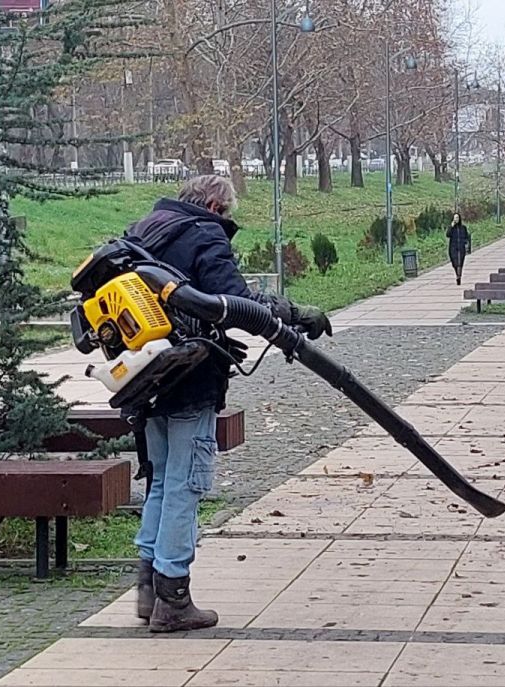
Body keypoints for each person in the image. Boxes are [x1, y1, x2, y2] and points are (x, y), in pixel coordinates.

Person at [123, 175, 332, 633]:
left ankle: (148, 588)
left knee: (161, 480)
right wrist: (296, 316)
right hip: (189, 376)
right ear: (215, 205)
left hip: (145, 375)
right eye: (229, 212)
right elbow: (235, 299)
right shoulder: (203, 232)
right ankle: (173, 597)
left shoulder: (144, 230)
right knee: (185, 484)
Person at [446, 212, 471, 286]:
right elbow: (448, 235)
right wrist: (451, 226)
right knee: (455, 263)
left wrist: (466, 245)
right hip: (453, 248)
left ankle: (458, 277)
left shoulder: (463, 228)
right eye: (455, 218)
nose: (456, 219)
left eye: (457, 218)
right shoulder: (451, 228)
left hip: (461, 247)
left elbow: (466, 237)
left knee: (460, 263)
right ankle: (457, 274)